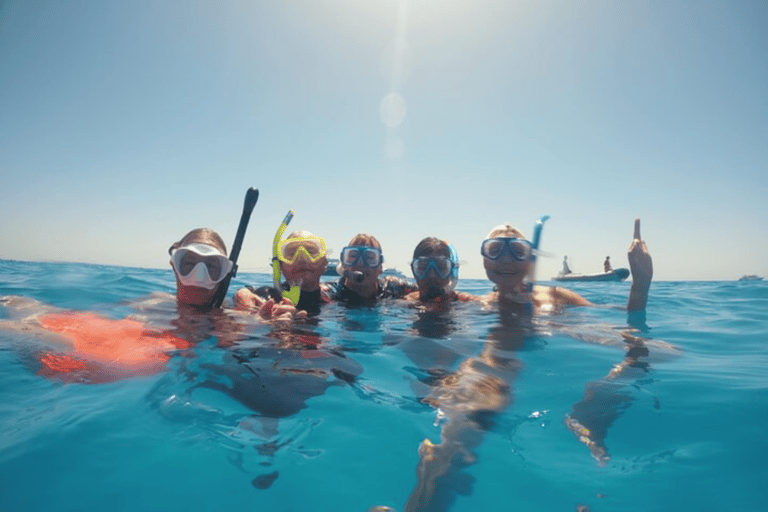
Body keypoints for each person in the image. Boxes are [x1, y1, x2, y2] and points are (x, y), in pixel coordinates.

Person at [1, 227, 295, 383]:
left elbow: (270, 357)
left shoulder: (236, 318)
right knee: (25, 308)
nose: (198, 277)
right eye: (188, 264)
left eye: (212, 268)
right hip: (132, 332)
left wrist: (278, 331)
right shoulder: (153, 302)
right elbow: (105, 314)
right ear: (173, 266)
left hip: (151, 348)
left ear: (225, 276)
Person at [481, 219, 652, 312]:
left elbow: (625, 313)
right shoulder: (478, 303)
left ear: (529, 260)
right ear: (484, 260)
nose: (506, 259)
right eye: (494, 250)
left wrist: (640, 285)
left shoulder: (556, 296)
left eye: (518, 251)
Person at [235, 230, 329, 315]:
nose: (301, 259)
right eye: (292, 254)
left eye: (311, 251)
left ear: (325, 263)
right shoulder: (271, 298)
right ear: (280, 266)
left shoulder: (335, 294)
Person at [323, 233, 416, 305]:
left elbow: (425, 291)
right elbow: (319, 293)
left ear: (380, 267)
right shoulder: (333, 291)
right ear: (343, 264)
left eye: (370, 257)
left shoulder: (392, 288)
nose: (360, 263)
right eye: (353, 256)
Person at [404, 237, 476, 304]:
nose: (432, 276)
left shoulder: (464, 300)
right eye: (423, 267)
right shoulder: (406, 302)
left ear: (451, 271)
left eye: (441, 267)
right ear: (413, 270)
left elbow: (483, 301)